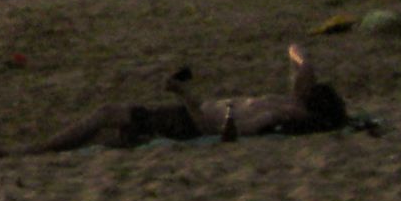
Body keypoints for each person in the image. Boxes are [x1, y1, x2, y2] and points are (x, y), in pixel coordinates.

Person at [28, 46, 349, 155]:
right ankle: (42, 150)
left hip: (186, 122)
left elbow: (216, 129)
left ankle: (36, 150)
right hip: (185, 115)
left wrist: (183, 94)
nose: (298, 82)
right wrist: (304, 63)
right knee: (107, 135)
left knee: (106, 116)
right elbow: (301, 60)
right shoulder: (284, 103)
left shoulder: (275, 116)